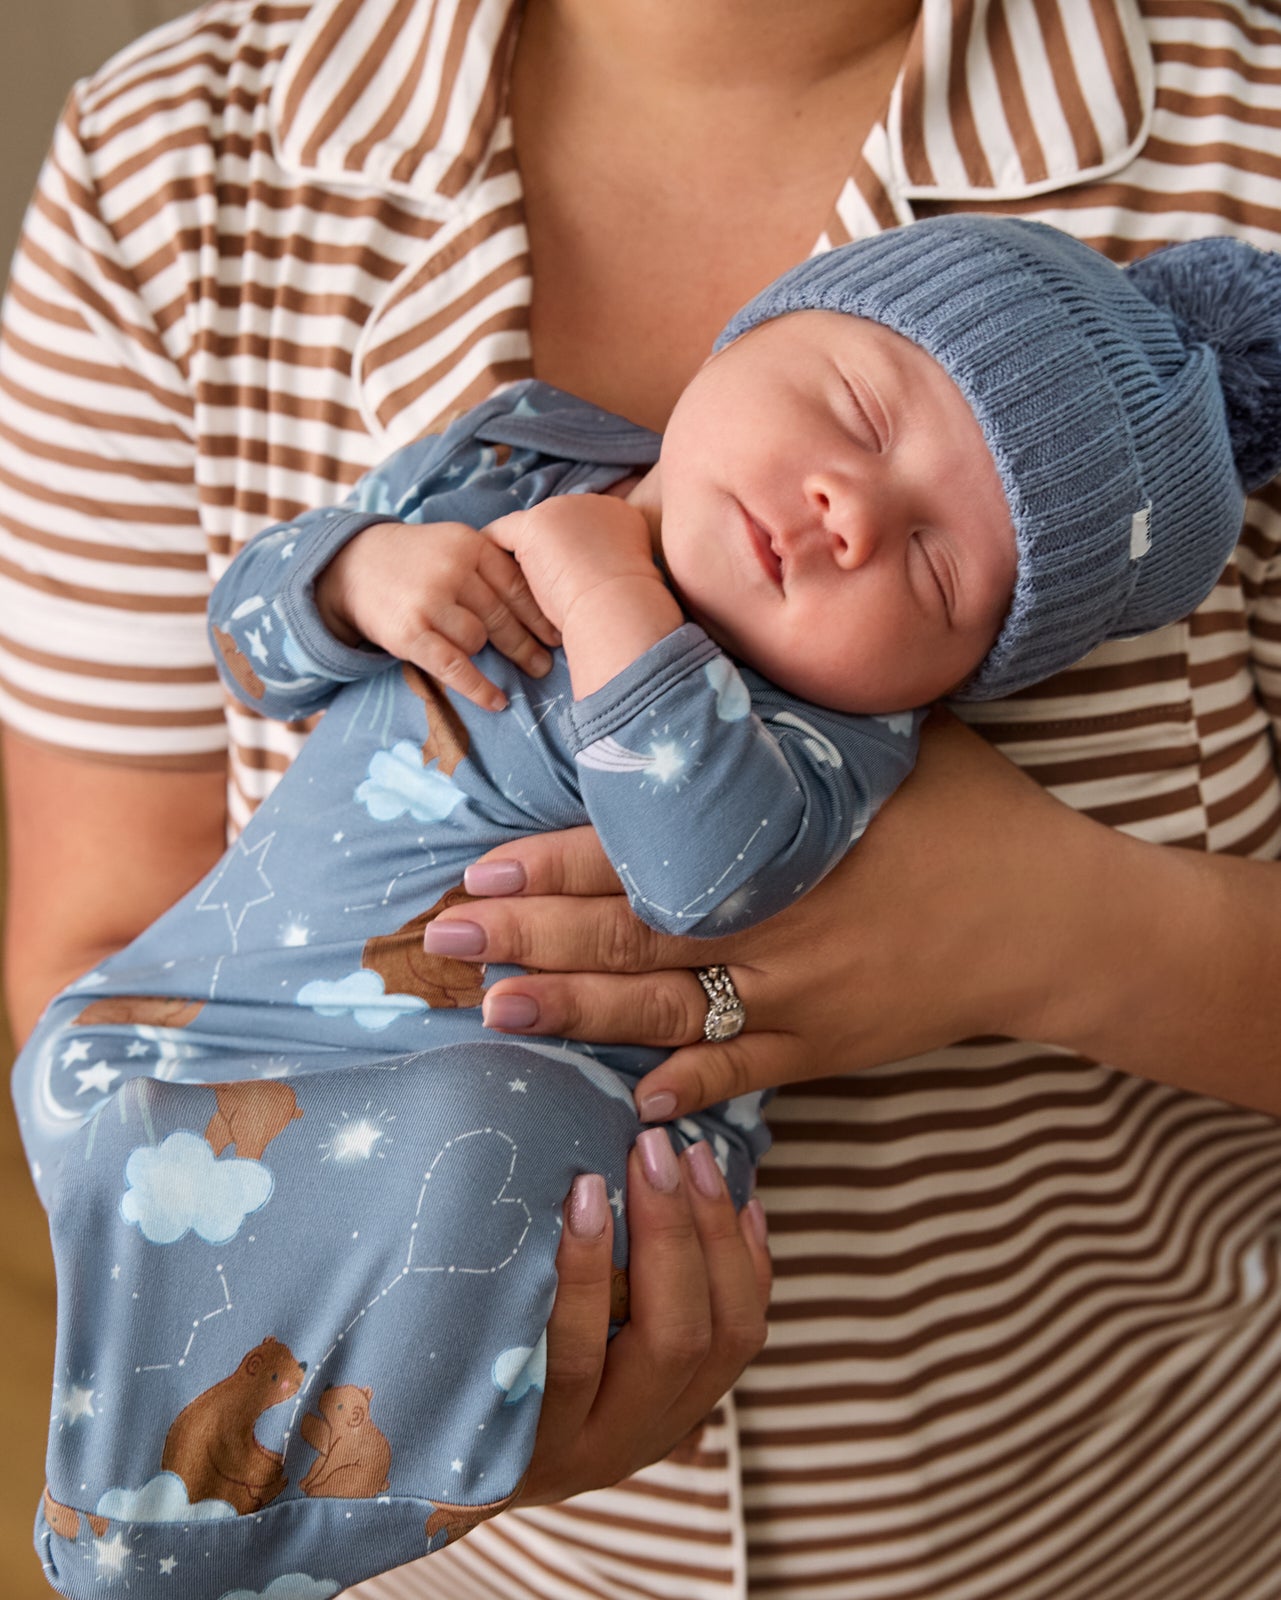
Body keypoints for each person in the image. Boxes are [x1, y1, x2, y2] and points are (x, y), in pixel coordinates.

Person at [2, 3, 1281, 1597]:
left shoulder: (830, 744)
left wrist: (1054, 925)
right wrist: (358, 574)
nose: (840, 510)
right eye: (862, 414)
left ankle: (226, 1520)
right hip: (297, 1157)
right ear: (754, 331)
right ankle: (170, 1499)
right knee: (103, 1080)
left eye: (940, 567)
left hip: (1072, 1523)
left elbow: (704, 868)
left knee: (482, 1138)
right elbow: (245, 654)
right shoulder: (471, 417)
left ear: (948, 679)